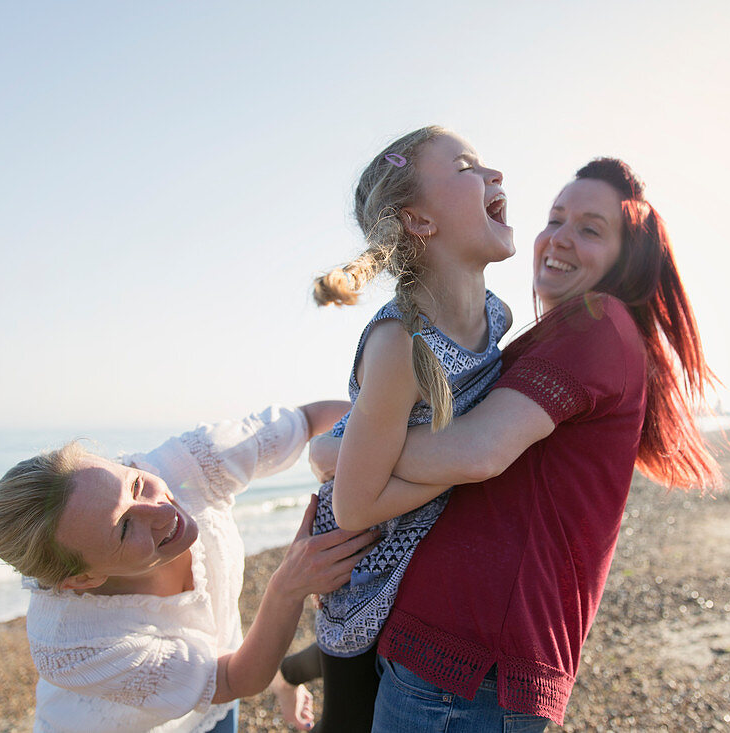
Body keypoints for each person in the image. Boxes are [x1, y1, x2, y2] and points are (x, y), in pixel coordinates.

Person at [319, 157, 724, 730]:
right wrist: (354, 434)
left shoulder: (597, 319)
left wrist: (344, 453)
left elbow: (476, 452)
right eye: (555, 218)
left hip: (467, 669)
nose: (559, 238)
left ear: (625, 258)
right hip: (460, 664)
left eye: (590, 228)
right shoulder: (552, 332)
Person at [277, 125, 514, 732]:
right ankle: (294, 670)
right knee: (347, 717)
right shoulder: (399, 343)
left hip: (415, 540)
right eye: (466, 168)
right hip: (359, 564)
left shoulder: (496, 315)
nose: (496, 176)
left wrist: (339, 450)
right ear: (420, 221)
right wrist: (462, 464)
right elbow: (356, 504)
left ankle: (300, 666)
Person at [0, 401, 377, 733]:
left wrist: (396, 436)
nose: (160, 512)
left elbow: (310, 420)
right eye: (124, 528)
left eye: (135, 484)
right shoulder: (67, 645)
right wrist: (287, 588)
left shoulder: (189, 465)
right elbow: (228, 679)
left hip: (218, 703)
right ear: (84, 578)